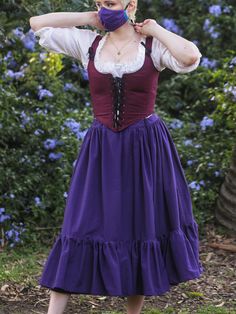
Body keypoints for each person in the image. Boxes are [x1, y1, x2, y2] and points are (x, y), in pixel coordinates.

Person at [29, 1, 204, 313]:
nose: (104, 6)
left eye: (109, 2)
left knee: (139, 227)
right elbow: (38, 24)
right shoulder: (89, 44)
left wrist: (156, 29)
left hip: (146, 149)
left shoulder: (152, 47)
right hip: (101, 149)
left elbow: (190, 55)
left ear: (130, 4)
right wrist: (89, 18)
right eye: (99, 1)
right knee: (78, 225)